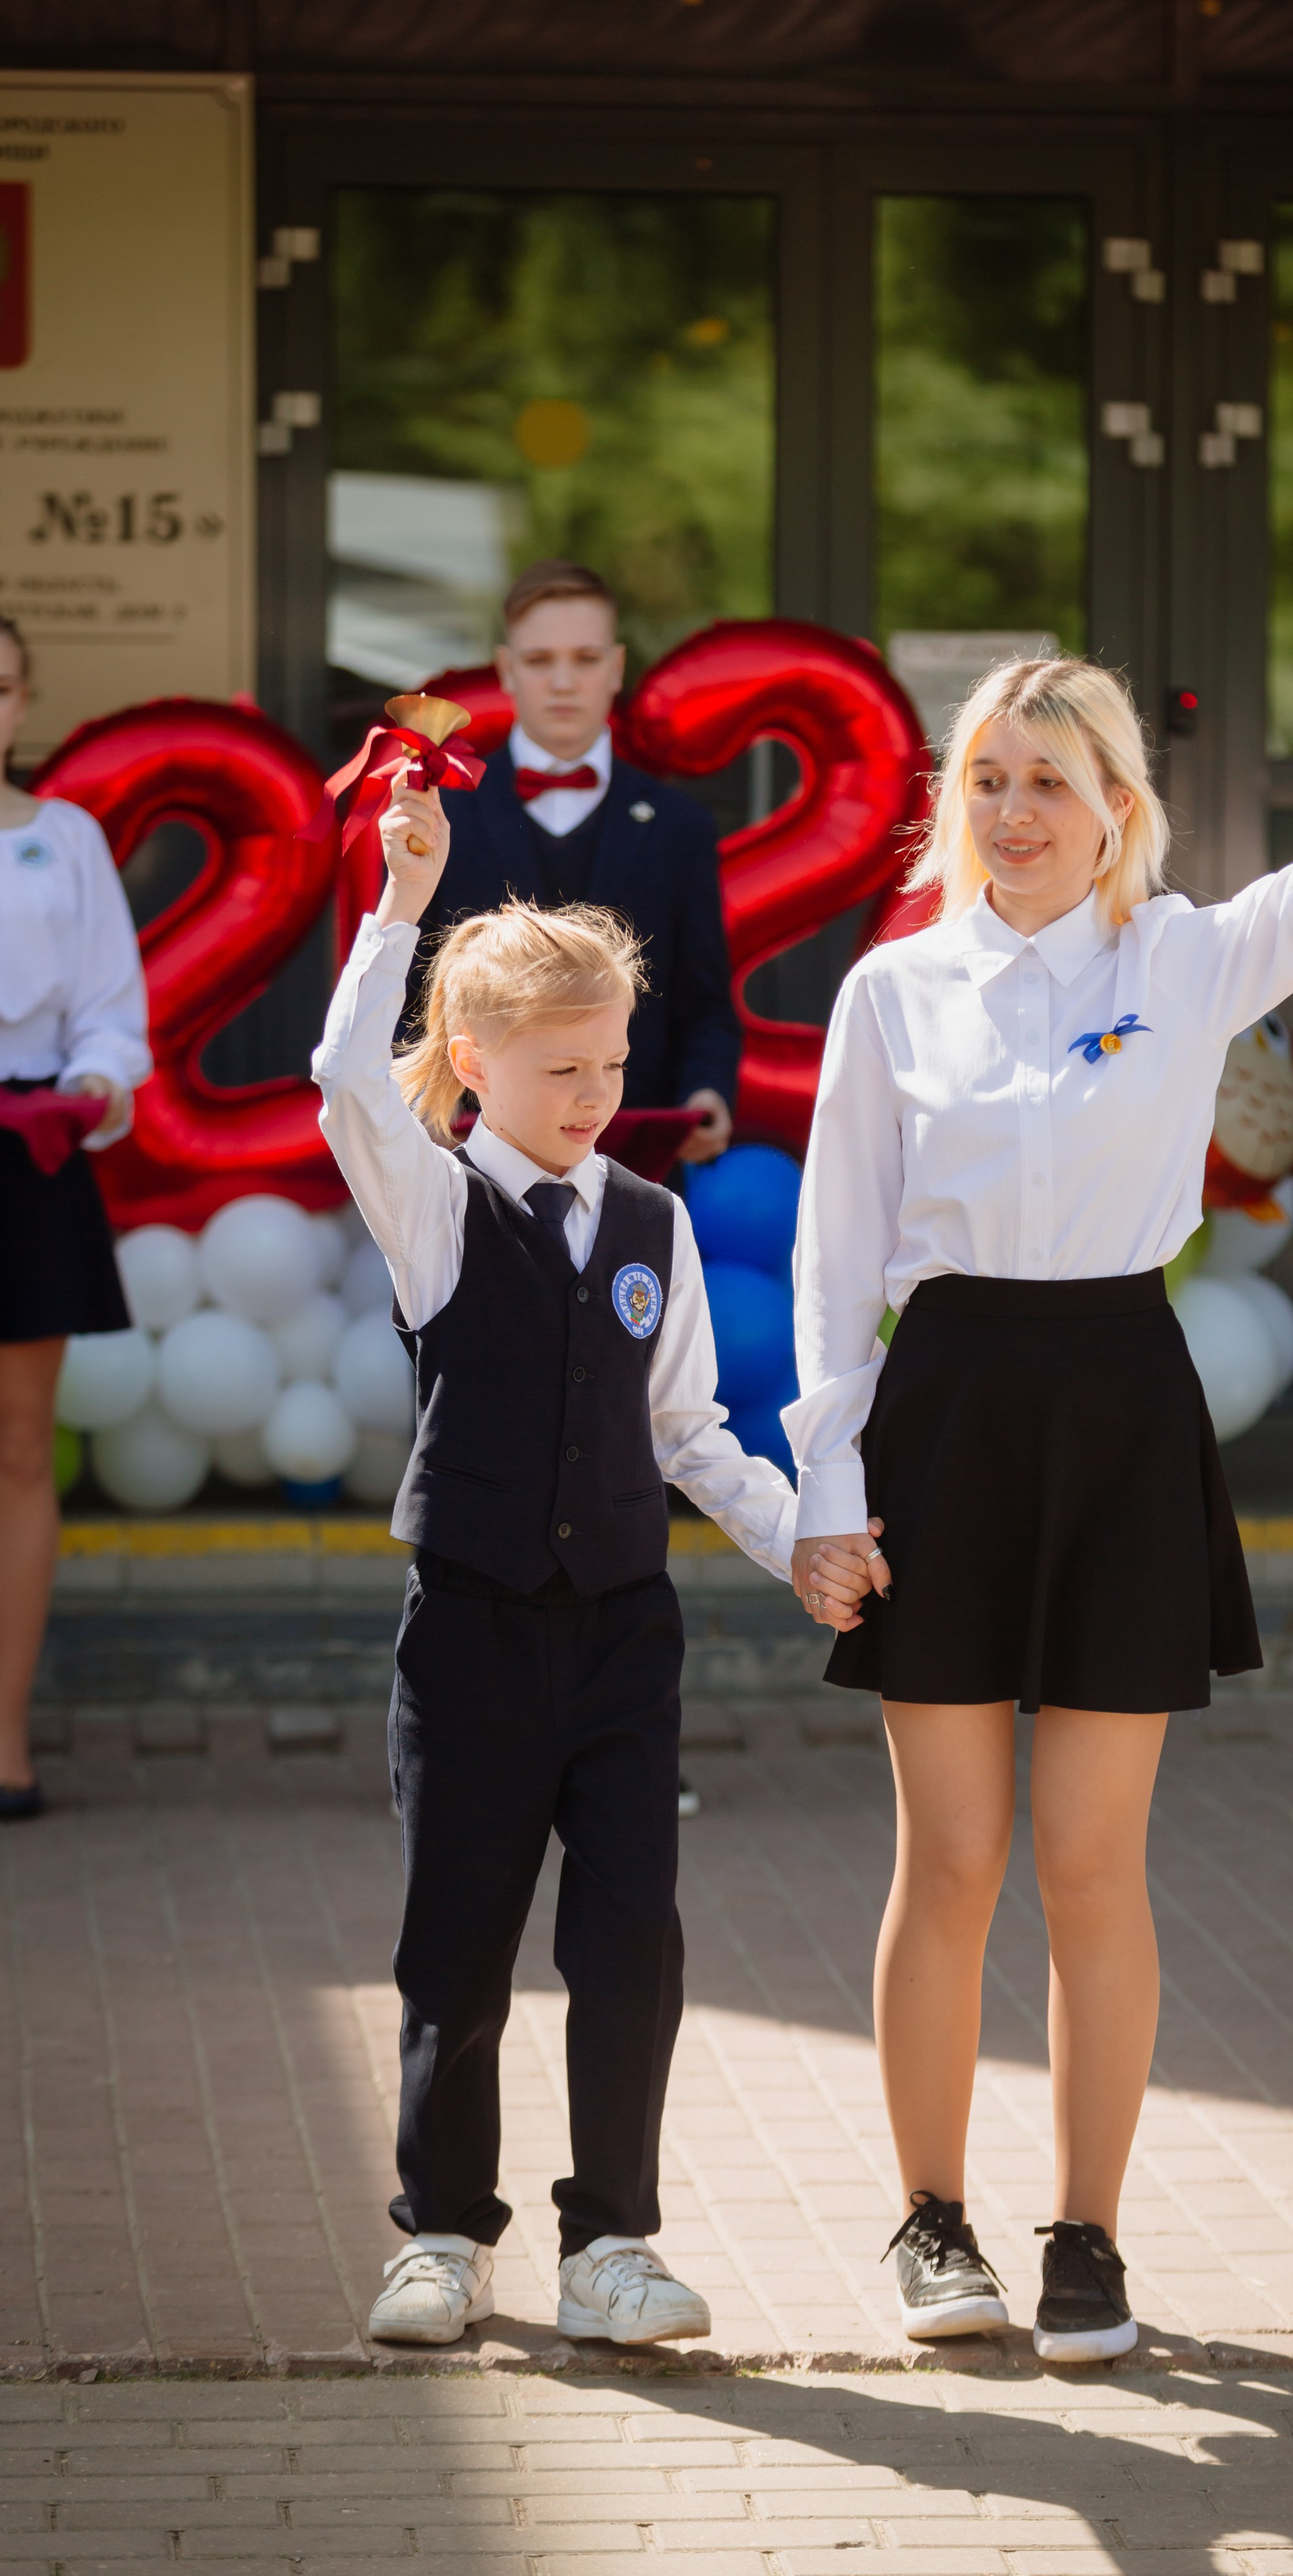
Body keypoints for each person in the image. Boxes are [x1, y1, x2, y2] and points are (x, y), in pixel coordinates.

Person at [783, 520, 1293, 2359]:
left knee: (1091, 1861)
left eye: (1048, 782)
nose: (1012, 812)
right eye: (985, 780)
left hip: (1125, 1410)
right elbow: (839, 1270)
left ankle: (1089, 2237)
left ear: (1117, 803)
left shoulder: (1196, 955)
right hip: (947, 1411)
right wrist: (825, 1489)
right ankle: (933, 2222)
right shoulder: (890, 991)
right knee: (956, 1859)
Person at [314, 767, 872, 2350]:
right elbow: (350, 1079)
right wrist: (401, 901)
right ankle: (439, 2230)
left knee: (629, 1936)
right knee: (458, 1944)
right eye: (560, 1064)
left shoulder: (649, 1218)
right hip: (475, 1629)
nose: (595, 1089)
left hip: (624, 1633)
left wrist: (797, 1541)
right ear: (474, 1067)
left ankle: (611, 2241)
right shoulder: (429, 1203)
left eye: (613, 1058)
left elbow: (691, 1429)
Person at [0, 604, 148, 1824]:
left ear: (23, 702)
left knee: (15, 1449)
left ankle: (7, 1738)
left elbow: (111, 1009)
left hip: (28, 1149)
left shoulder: (65, 840)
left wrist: (99, 1081)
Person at [411, 559, 739, 1171]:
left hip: (635, 1170)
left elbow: (703, 1005)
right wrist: (421, 1116)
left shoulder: (679, 827)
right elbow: (410, 997)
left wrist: (707, 1093)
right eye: (540, 661)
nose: (563, 681)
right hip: (470, 1168)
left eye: (585, 660)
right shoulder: (442, 816)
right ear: (507, 671)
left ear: (616, 669)